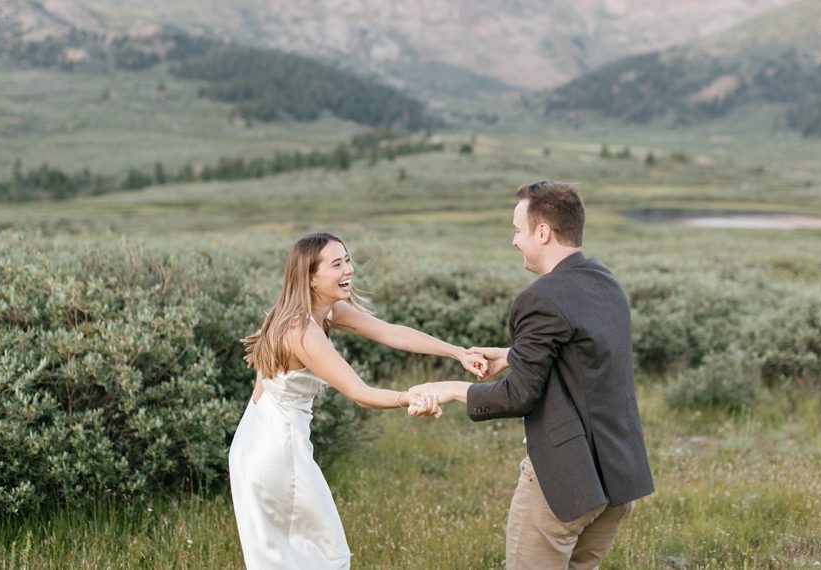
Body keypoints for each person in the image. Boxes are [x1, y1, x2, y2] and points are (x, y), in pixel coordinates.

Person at [409, 181, 654, 569]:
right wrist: (512, 354)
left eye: (517, 230)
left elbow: (517, 396)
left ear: (542, 232)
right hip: (617, 479)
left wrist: (450, 389)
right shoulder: (604, 280)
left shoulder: (539, 298)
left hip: (564, 484)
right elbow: (588, 355)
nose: (514, 241)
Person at [229, 232, 480, 569]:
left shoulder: (314, 310)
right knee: (325, 553)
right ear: (311, 277)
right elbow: (360, 393)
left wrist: (457, 352)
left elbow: (390, 332)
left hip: (256, 440)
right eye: (336, 264)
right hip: (277, 449)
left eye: (347, 260)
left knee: (290, 555)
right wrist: (409, 397)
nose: (348, 269)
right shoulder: (301, 330)